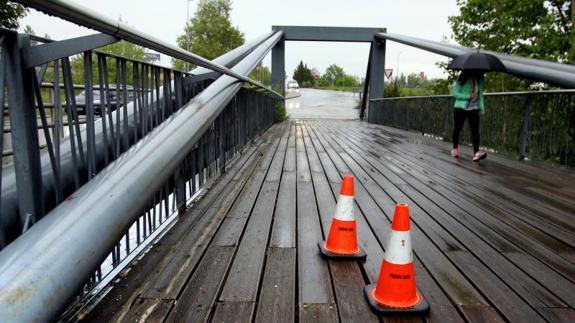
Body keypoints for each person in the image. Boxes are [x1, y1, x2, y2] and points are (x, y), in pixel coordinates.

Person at [451, 70, 487, 161]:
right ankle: (455, 148)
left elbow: (480, 95)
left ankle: (476, 153)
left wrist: (482, 108)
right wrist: (468, 96)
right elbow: (455, 93)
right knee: (457, 128)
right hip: (460, 108)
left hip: (474, 108)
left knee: (475, 131)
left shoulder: (479, 80)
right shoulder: (461, 79)